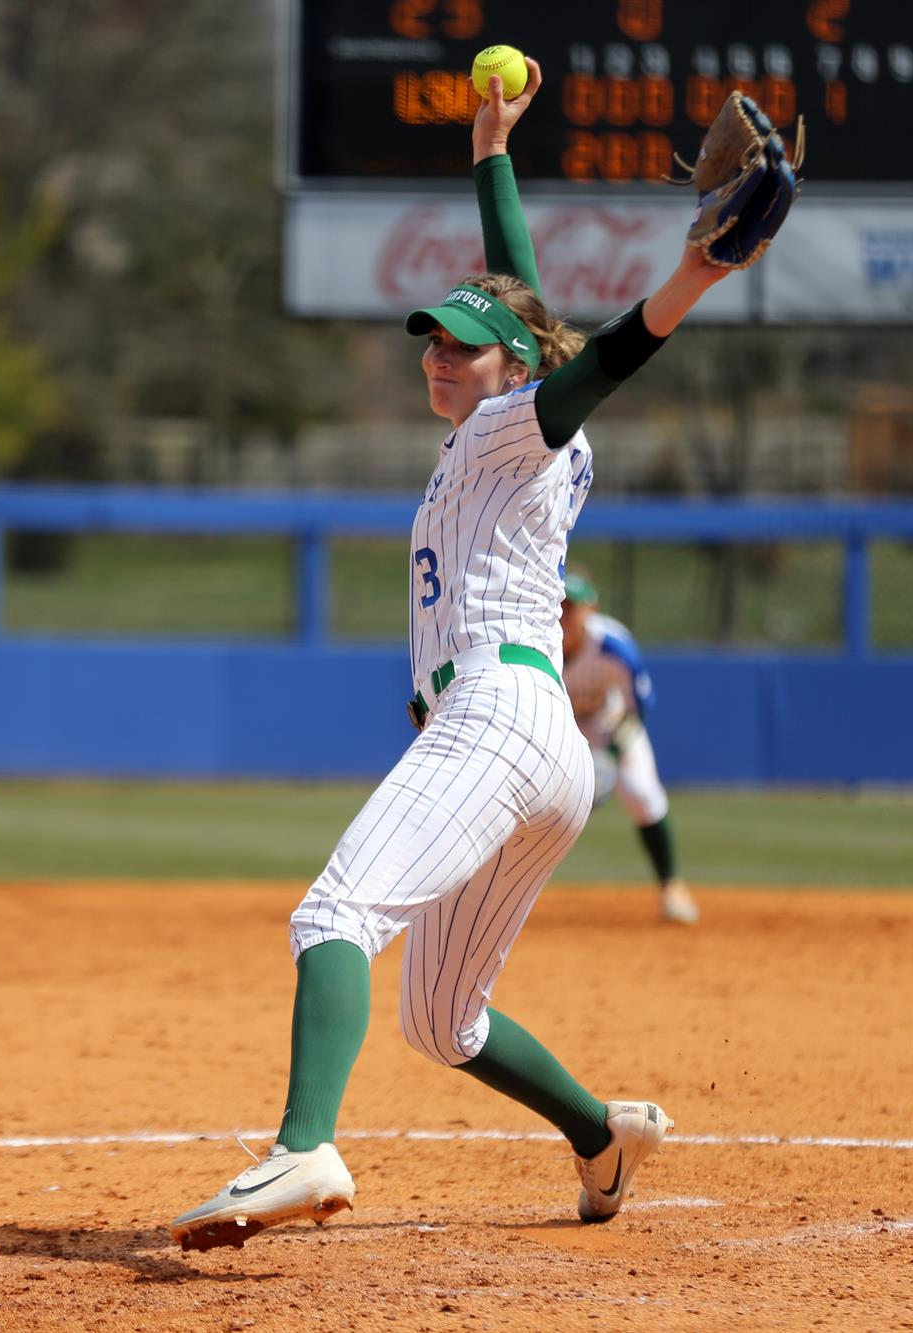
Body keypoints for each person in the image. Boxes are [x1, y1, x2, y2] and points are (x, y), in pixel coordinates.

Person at [169, 61, 782, 1251]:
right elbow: (535, 309)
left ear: (511, 370)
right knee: (440, 1018)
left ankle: (303, 1147)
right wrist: (490, 157)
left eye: (460, 344)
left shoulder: (515, 428)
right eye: (430, 342)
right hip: (540, 747)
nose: (436, 357)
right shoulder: (512, 432)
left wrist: (692, 276)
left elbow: (595, 354)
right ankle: (601, 1137)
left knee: (332, 913)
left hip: (499, 715)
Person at [559, 570, 699, 925]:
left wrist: (611, 756)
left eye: (572, 606)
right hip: (560, 726)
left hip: (611, 722)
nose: (564, 614)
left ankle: (671, 887)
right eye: (559, 605)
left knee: (641, 794)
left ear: (591, 609)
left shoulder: (613, 647)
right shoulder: (535, 642)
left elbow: (639, 707)